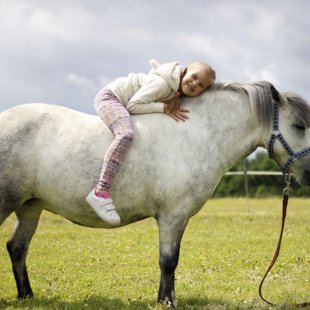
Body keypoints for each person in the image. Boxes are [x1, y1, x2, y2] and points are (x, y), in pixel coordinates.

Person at [86, 59, 216, 225]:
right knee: (125, 133)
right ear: (185, 71)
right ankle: (100, 192)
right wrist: (163, 108)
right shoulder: (162, 84)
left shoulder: (176, 89)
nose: (194, 83)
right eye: (194, 76)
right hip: (111, 98)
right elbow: (133, 105)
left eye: (201, 85)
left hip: (123, 101)